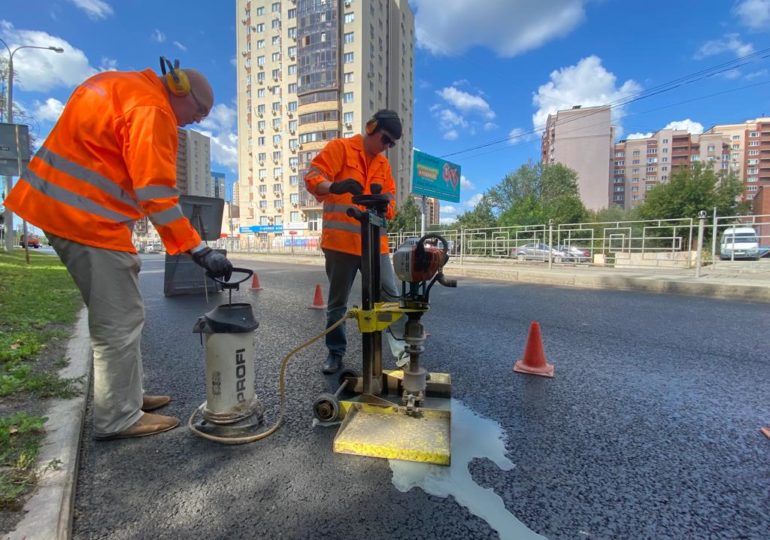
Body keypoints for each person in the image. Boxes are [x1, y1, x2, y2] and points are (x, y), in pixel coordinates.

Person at [4, 57, 233, 440]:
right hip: (88, 221)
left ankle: (129, 397)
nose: (197, 120)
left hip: (65, 211)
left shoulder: (115, 84)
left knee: (124, 316)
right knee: (118, 323)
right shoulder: (152, 109)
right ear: (178, 88)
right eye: (199, 110)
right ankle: (118, 417)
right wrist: (198, 250)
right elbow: (156, 193)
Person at [304, 109, 406, 374]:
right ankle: (335, 353)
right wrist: (334, 187)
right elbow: (313, 177)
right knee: (338, 303)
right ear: (371, 127)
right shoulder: (340, 148)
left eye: (392, 145)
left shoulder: (383, 165)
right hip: (341, 243)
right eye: (385, 140)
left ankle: (403, 354)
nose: (386, 148)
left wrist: (386, 204)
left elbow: (392, 198)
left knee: (391, 297)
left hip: (375, 245)